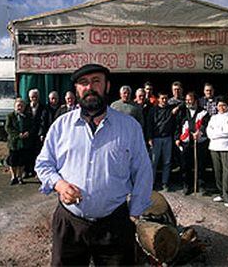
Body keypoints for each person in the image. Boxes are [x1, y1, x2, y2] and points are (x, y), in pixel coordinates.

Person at [35, 64, 153, 266]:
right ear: (76, 90)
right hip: (69, 224)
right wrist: (60, 185)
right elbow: (43, 164)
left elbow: (143, 171)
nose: (89, 87)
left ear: (107, 86)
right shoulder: (61, 126)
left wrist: (134, 213)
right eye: (83, 83)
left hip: (114, 225)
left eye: (96, 81)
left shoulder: (129, 127)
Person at [207, 97, 228, 211]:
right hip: (214, 147)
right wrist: (220, 132)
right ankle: (221, 193)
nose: (221, 108)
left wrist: (217, 132)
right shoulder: (213, 118)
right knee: (218, 171)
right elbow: (209, 132)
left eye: (224, 105)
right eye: (219, 105)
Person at [175, 92, 209, 195]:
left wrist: (199, 132)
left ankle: (201, 185)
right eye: (186, 100)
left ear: (195, 100)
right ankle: (187, 185)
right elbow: (177, 126)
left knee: (200, 165)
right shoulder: (183, 112)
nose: (188, 101)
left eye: (190, 99)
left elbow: (205, 124)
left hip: (199, 142)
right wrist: (177, 138)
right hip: (186, 143)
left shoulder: (203, 112)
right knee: (185, 165)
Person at [147, 91, 180, 191]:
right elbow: (149, 125)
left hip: (167, 138)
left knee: (167, 162)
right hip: (156, 138)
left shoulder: (170, 108)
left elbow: (183, 103)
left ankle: (164, 183)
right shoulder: (153, 110)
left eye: (166, 98)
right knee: (153, 162)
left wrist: (177, 108)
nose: (164, 100)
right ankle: (151, 183)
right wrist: (149, 138)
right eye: (162, 98)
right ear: (158, 99)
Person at [5, 98, 33, 185]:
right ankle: (13, 177)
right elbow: (8, 128)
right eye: (18, 106)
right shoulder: (10, 116)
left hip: (24, 142)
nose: (20, 108)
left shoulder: (28, 116)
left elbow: (32, 126)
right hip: (14, 142)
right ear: (15, 107)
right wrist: (18, 135)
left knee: (22, 161)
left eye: (21, 106)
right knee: (13, 161)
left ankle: (20, 177)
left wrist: (28, 132)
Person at [25, 88, 44, 178]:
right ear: (29, 98)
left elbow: (43, 121)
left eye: (36, 97)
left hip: (37, 135)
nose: (34, 98)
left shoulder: (43, 108)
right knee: (28, 153)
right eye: (32, 97)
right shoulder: (26, 108)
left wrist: (41, 133)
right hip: (28, 135)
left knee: (37, 153)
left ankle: (37, 172)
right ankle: (27, 171)